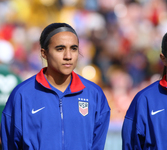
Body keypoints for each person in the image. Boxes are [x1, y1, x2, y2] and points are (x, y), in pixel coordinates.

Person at [1, 22, 110, 150]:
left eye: (74, 48)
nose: (68, 56)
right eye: (60, 49)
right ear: (44, 53)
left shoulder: (94, 94)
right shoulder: (22, 94)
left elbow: (98, 145)